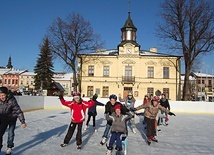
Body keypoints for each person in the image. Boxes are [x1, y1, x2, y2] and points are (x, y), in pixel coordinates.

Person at [0, 87, 27, 155]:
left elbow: (18, 111)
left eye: (3, 95)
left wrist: (22, 122)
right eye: (0, 95)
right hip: (3, 119)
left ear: (6, 94)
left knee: (10, 133)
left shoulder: (12, 100)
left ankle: (9, 147)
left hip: (12, 119)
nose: (1, 97)